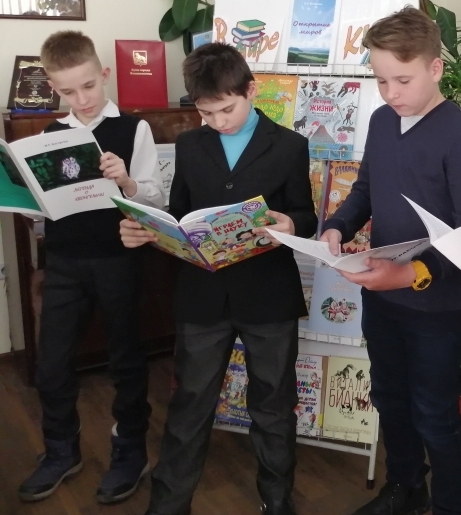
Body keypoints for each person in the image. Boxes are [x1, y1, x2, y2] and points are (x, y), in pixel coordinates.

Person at [120, 43, 317, 515]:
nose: (218, 122)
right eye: (206, 113)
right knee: (190, 402)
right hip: (203, 294)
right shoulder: (191, 144)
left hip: (268, 294)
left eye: (226, 110)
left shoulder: (289, 145)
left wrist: (291, 224)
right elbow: (181, 213)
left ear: (251, 90)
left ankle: (277, 500)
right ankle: (169, 503)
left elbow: (305, 214)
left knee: (273, 404)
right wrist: (150, 230)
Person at [320, 7, 461, 515]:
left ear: (435, 69)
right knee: (390, 398)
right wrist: (338, 225)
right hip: (384, 297)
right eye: (380, 80)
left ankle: (453, 505)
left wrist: (410, 273)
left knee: (435, 413)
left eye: (402, 80)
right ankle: (405, 487)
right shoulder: (381, 121)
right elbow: (366, 189)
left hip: (437, 306)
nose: (390, 93)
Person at [18, 31, 166, 504]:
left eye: (88, 86)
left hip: (119, 259)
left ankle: (130, 450)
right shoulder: (49, 135)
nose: (81, 99)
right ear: (53, 88)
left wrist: (126, 180)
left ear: (103, 74)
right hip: (64, 261)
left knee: (126, 359)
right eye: (67, 91)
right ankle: (61, 450)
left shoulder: (134, 129)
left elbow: (156, 200)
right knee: (53, 363)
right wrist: (27, 199)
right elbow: (42, 212)